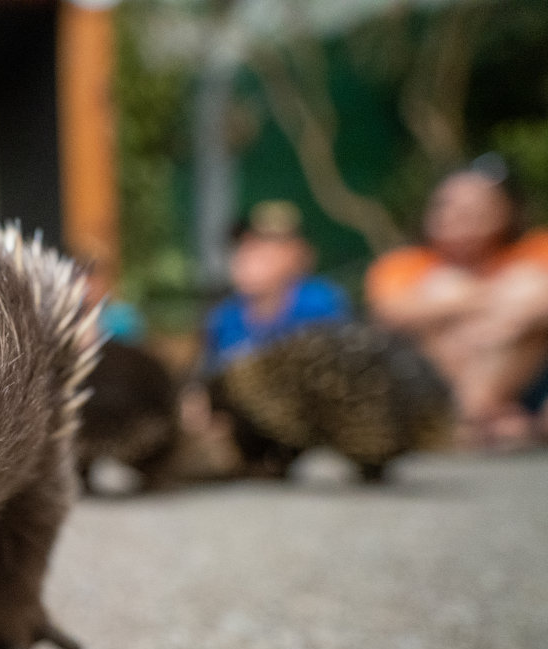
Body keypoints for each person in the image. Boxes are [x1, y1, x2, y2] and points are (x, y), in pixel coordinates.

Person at [366, 158, 548, 448]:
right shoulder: (406, 263)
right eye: (447, 204)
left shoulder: (536, 249)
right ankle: (481, 416)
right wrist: (483, 308)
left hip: (526, 375)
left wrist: (513, 319)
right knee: (443, 288)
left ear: (505, 210)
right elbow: (390, 313)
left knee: (529, 284)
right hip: (441, 385)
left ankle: (475, 415)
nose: (458, 214)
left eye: (476, 206)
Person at [204, 200, 351, 376]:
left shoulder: (319, 303)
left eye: (263, 249)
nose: (247, 258)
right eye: (243, 247)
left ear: (299, 253)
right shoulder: (224, 318)